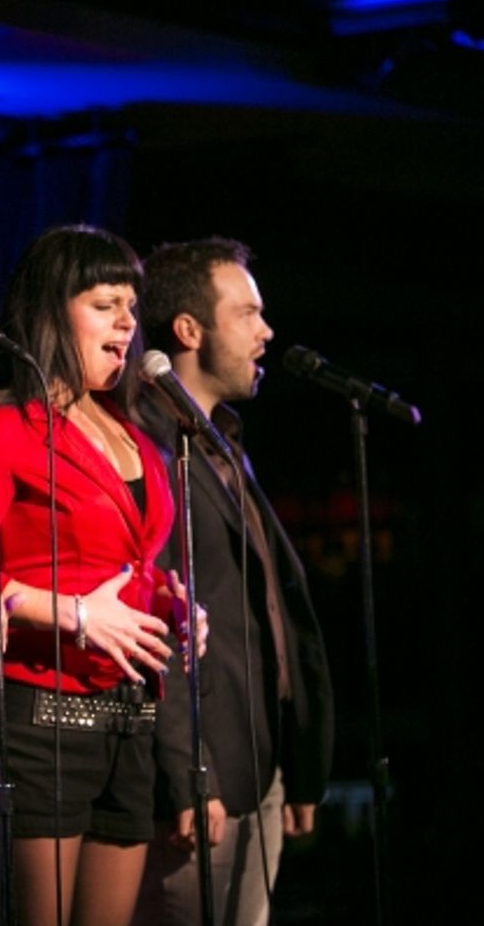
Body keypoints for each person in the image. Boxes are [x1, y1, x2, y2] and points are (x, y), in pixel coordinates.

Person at [0, 224, 180, 926]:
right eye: (105, 303)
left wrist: (171, 605)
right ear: (51, 310)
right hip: (38, 719)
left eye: (132, 304)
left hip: (131, 716)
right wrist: (71, 612)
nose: (128, 322)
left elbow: (128, 563)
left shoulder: (130, 431)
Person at [136, 237, 334, 926]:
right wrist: (189, 770)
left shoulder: (221, 441)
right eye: (247, 312)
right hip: (206, 777)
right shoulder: (151, 449)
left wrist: (297, 763)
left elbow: (274, 611)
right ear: (189, 330)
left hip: (259, 762)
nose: (266, 330)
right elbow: (157, 619)